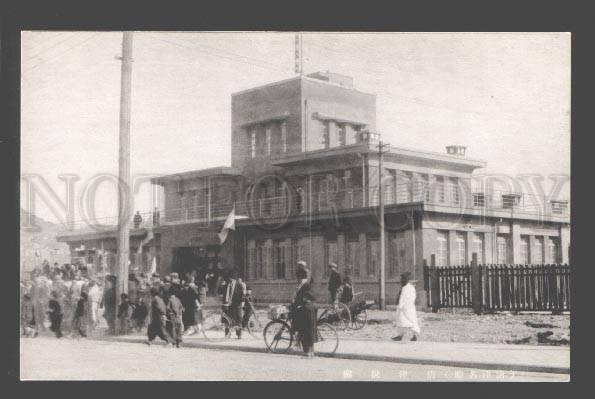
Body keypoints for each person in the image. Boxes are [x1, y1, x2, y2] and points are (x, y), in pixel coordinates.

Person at [291, 261, 317, 358]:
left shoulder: (302, 285)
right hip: (312, 307)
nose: (297, 280)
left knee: (303, 329)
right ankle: (311, 352)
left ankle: (305, 351)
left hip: (305, 309)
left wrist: (295, 303)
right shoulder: (308, 284)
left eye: (298, 278)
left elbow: (298, 298)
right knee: (311, 330)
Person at [392, 272, 420, 341]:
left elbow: (402, 298)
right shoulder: (412, 288)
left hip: (404, 308)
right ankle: (414, 335)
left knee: (402, 321)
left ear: (405, 279)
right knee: (412, 321)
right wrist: (411, 304)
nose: (400, 280)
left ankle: (400, 335)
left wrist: (400, 306)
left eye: (402, 279)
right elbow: (414, 297)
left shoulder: (404, 288)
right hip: (410, 307)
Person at [221, 270, 245, 339]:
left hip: (236, 304)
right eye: (229, 279)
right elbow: (220, 292)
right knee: (226, 319)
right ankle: (227, 334)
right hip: (226, 304)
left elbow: (242, 295)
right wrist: (221, 286)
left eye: (231, 279)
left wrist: (242, 303)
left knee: (238, 319)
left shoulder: (239, 285)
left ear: (234, 279)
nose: (230, 280)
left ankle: (239, 334)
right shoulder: (226, 285)